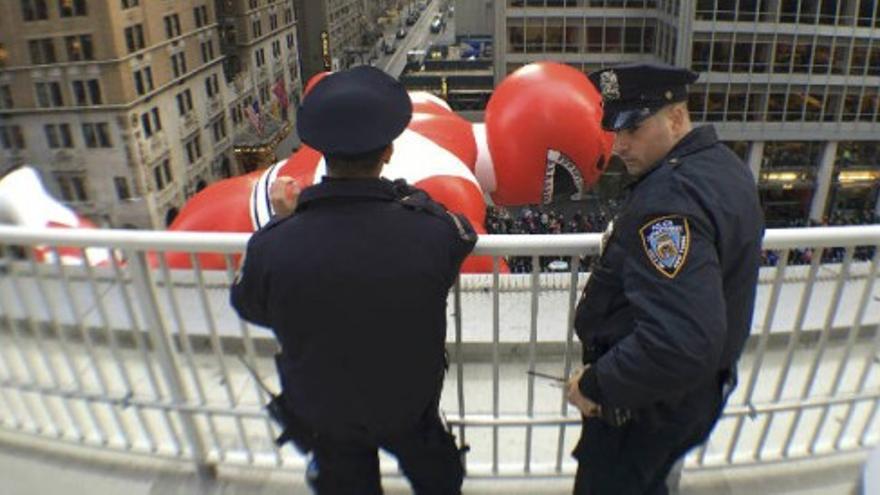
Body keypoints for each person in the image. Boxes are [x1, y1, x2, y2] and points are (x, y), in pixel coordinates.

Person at [230, 66, 476, 495]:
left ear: (323, 152)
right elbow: (463, 233)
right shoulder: (429, 232)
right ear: (388, 152)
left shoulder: (273, 246)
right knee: (440, 480)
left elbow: (250, 305)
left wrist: (283, 222)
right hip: (408, 405)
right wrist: (407, 196)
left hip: (325, 413)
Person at [565, 63, 765, 495]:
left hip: (645, 407)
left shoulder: (668, 200)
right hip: (692, 393)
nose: (618, 146)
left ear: (675, 118)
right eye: (614, 131)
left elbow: (679, 339)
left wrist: (598, 383)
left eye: (632, 129)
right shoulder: (723, 166)